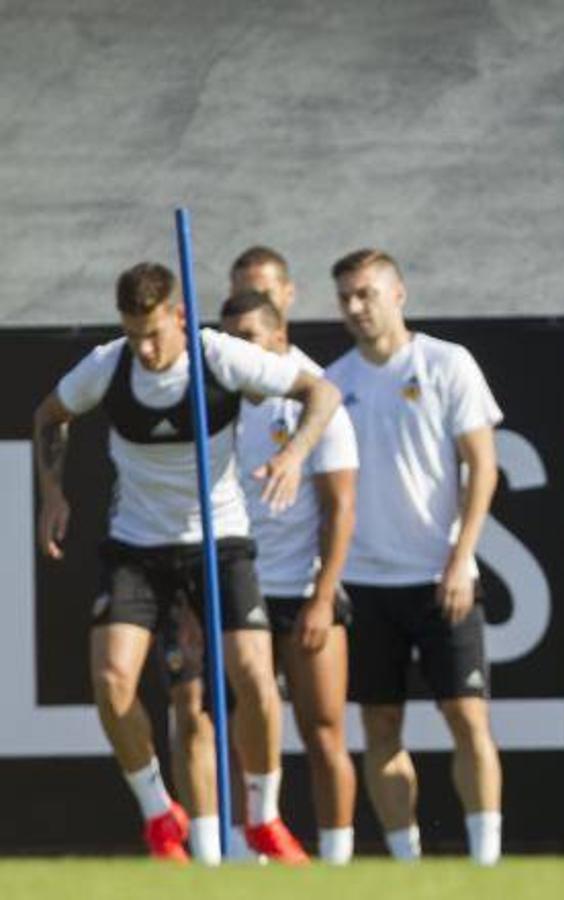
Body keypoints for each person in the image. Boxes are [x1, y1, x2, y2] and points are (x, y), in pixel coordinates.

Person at [32, 262, 338, 863]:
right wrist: (52, 494)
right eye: (132, 332)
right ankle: (158, 813)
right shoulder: (110, 364)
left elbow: (319, 394)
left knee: (253, 673)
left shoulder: (219, 356)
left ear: (177, 315)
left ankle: (264, 817)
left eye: (154, 333)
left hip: (219, 539)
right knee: (112, 679)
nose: (144, 348)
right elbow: (50, 416)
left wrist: (295, 455)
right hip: (137, 546)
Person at [163, 287, 361, 865]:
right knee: (225, 723)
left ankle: (336, 861)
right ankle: (239, 853)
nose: (236, 351)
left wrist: (323, 597)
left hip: (300, 588)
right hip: (230, 581)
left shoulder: (313, 393)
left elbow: (341, 506)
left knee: (324, 730)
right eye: (227, 340)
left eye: (248, 338)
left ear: (279, 337)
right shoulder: (210, 397)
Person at [325, 249, 504, 865]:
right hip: (365, 584)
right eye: (345, 296)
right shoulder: (333, 384)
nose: (355, 307)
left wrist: (461, 559)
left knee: (466, 716)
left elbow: (483, 466)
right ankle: (407, 865)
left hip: (440, 576)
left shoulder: (446, 364)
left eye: (366, 293)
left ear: (398, 294)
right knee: (379, 726)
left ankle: (486, 863)